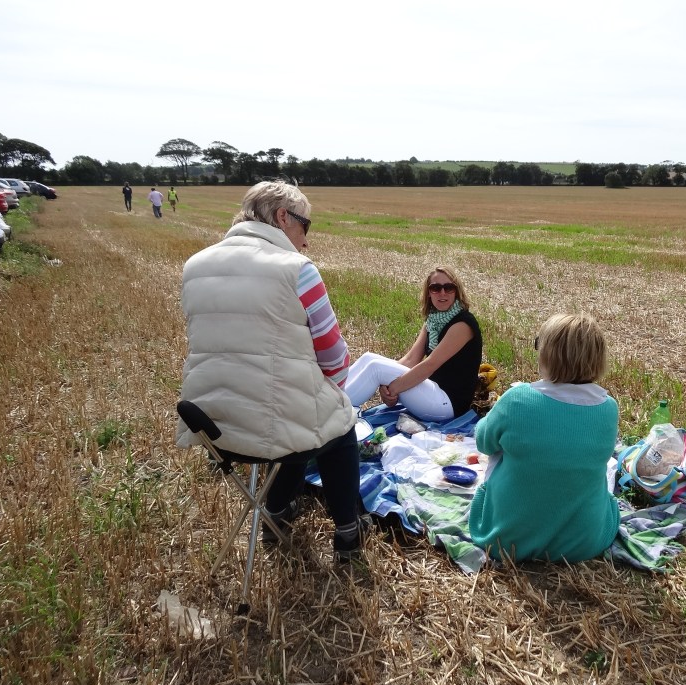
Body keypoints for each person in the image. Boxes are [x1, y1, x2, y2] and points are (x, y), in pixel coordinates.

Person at [176, 181, 367, 560]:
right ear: (283, 217)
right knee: (336, 420)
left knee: (291, 415)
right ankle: (349, 531)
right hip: (276, 424)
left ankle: (276, 513)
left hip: (216, 430)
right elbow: (333, 357)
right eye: (305, 226)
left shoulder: (193, 266)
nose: (306, 240)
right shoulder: (298, 269)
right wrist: (334, 388)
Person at [469, 313, 620, 563]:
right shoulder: (608, 408)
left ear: (549, 354)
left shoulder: (517, 400)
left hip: (506, 539)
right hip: (585, 540)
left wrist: (497, 413)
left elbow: (484, 442)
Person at [344, 266, 482, 422]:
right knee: (368, 359)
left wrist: (392, 387)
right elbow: (411, 359)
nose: (442, 293)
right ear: (429, 293)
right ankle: (330, 399)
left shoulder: (463, 324)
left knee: (376, 368)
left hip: (447, 403)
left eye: (448, 287)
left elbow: (429, 365)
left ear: (456, 291)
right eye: (436, 288)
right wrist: (385, 384)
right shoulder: (433, 321)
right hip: (430, 391)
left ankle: (333, 414)